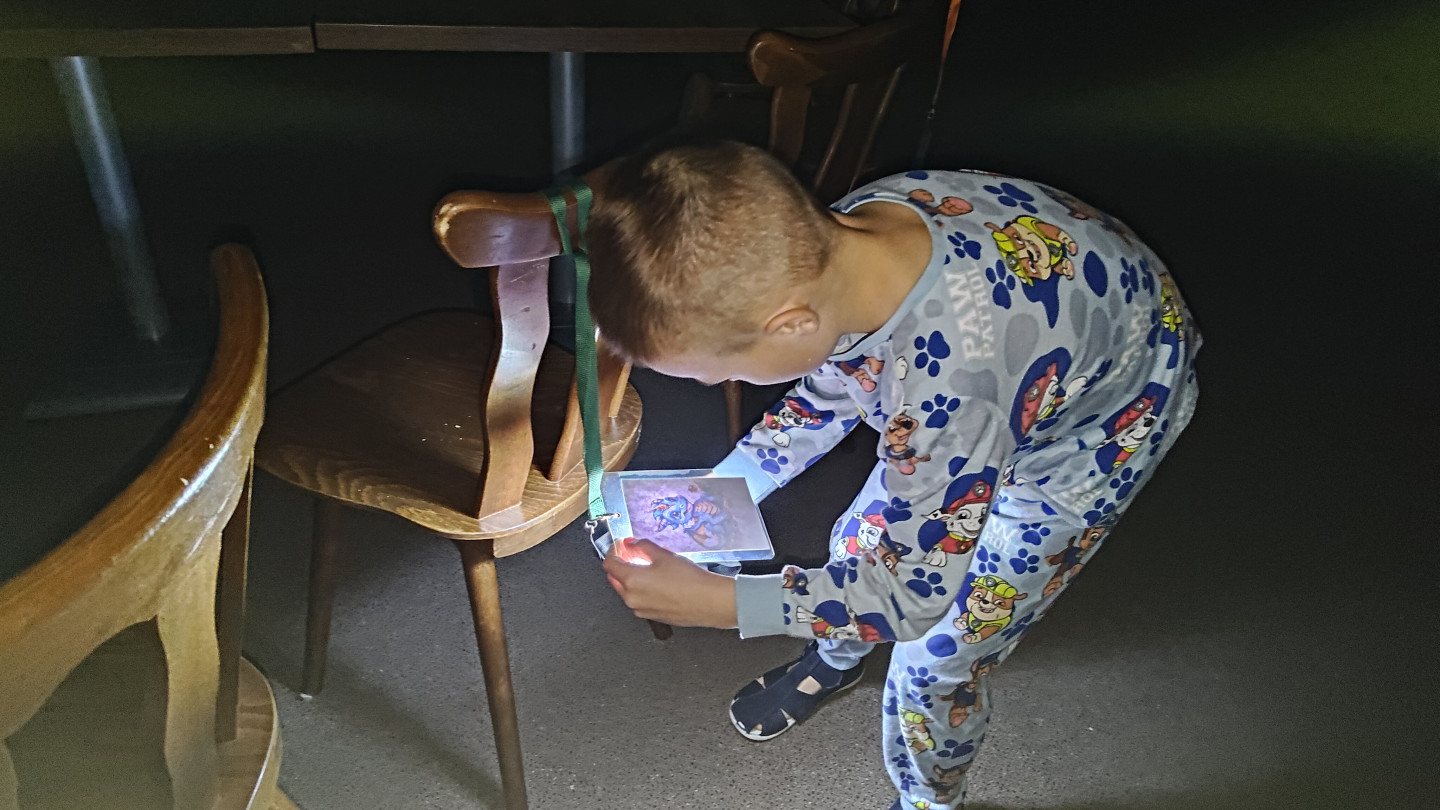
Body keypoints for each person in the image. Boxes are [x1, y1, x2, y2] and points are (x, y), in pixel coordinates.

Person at [593, 139, 1199, 809]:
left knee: (935, 661)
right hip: (1033, 347)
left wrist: (729, 603)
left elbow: (911, 599)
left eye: (724, 372)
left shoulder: (953, 393)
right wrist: (719, 493)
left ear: (790, 324)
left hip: (1098, 431)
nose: (722, 385)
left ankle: (928, 802)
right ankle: (836, 658)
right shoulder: (841, 239)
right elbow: (836, 383)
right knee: (860, 542)